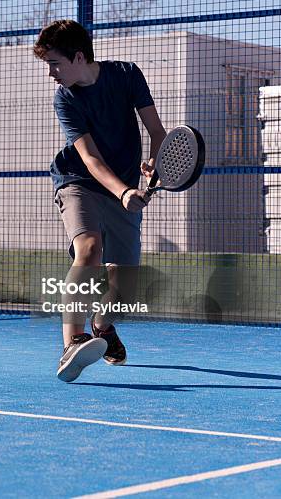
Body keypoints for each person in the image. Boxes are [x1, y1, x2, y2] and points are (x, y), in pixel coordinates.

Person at [33, 20, 166, 382]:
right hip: (79, 181)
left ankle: (101, 326)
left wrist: (153, 164)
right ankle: (73, 340)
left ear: (79, 57)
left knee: (123, 290)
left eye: (55, 64)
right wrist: (123, 192)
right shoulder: (65, 97)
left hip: (122, 183)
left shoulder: (126, 75)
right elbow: (90, 160)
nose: (51, 74)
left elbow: (157, 132)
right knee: (89, 249)